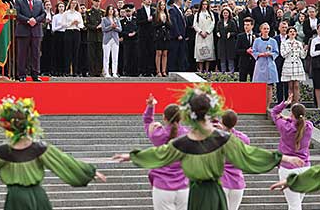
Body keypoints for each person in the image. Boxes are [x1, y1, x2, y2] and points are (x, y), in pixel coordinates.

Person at [113, 83, 304, 210]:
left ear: (190, 114)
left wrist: (131, 156)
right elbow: (250, 154)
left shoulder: (184, 139)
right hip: (212, 192)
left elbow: (159, 154)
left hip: (196, 192)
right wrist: (283, 158)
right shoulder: (221, 137)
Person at [0, 97, 106, 210]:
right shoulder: (40, 148)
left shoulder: (1, 152)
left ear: (7, 126)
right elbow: (64, 162)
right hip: (38, 197)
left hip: (16, 199)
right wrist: (89, 172)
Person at [143, 95, 189, 210]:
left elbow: (148, 122)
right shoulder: (188, 135)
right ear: (181, 118)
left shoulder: (158, 134)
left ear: (164, 118)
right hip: (184, 185)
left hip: (162, 185)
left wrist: (150, 106)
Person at [270, 94, 313, 210]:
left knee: (294, 204)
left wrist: (285, 103)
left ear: (291, 114)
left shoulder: (285, 127)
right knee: (297, 203)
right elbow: (300, 122)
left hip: (288, 168)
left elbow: (274, 112)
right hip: (305, 168)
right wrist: (289, 118)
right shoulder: (309, 127)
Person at [218, 110, 250, 210]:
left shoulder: (218, 138)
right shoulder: (244, 138)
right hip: (237, 181)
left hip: (222, 179)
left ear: (222, 122)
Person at [15, 0, 46, 82]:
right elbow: (17, 14)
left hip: (36, 32)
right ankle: (22, 75)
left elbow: (43, 14)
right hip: (23, 31)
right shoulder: (19, 1)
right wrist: (28, 20)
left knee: (36, 54)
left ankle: (35, 74)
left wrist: (36, 20)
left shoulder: (39, 2)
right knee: (22, 54)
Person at [252, 23, 279, 108]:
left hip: (270, 65)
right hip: (260, 64)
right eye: (264, 28)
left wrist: (270, 54)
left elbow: (276, 52)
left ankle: (268, 106)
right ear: (261, 30)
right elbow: (254, 51)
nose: (266, 30)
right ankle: (259, 105)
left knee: (269, 86)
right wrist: (260, 54)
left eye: (267, 28)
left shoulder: (273, 41)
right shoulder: (257, 41)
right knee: (260, 87)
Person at [281, 27, 307, 103]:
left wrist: (304, 50)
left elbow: (302, 56)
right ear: (288, 33)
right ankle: (291, 103)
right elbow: (283, 55)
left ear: (296, 33)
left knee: (296, 85)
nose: (292, 33)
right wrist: (290, 48)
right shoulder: (284, 43)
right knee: (290, 85)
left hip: (297, 65)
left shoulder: (299, 43)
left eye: (294, 31)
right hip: (288, 65)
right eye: (290, 31)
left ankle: (296, 103)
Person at [62, 0, 84, 76]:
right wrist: (71, 23)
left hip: (76, 32)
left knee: (76, 52)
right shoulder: (66, 13)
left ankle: (75, 71)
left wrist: (77, 23)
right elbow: (63, 24)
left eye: (75, 3)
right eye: (72, 3)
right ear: (70, 4)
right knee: (68, 52)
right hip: (68, 32)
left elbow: (82, 25)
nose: (74, 5)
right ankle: (67, 71)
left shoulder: (78, 14)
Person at [85, 0, 105, 77]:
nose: (97, 2)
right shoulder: (88, 12)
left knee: (100, 55)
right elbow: (86, 24)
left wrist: (102, 26)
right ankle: (92, 71)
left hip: (100, 37)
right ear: (92, 1)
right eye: (95, 1)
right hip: (91, 36)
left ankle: (98, 71)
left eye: (99, 1)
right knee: (91, 55)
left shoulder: (103, 12)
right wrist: (96, 27)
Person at [136, 0, 156, 76]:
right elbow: (138, 22)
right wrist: (147, 20)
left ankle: (150, 70)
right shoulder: (139, 11)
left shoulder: (154, 10)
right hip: (143, 35)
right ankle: (142, 70)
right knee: (143, 53)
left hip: (151, 35)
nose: (149, 0)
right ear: (143, 1)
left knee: (151, 52)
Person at [193, 0, 215, 72]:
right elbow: (195, 25)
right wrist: (200, 32)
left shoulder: (210, 14)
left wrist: (207, 32)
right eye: (203, 4)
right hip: (200, 36)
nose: (204, 6)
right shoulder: (197, 14)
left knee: (208, 53)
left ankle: (207, 70)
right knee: (200, 52)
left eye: (206, 4)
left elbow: (213, 24)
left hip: (208, 36)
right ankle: (200, 69)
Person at [102, 4, 122, 78]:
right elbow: (104, 29)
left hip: (115, 39)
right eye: (109, 9)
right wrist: (111, 26)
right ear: (107, 10)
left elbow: (120, 29)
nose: (111, 10)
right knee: (106, 57)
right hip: (107, 39)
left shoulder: (116, 19)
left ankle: (114, 72)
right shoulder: (104, 19)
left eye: (112, 9)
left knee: (115, 57)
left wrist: (115, 27)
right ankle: (106, 72)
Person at [168, 0, 187, 72]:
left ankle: (180, 69)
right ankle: (172, 70)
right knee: (174, 54)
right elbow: (174, 23)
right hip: (176, 37)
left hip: (182, 36)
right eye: (182, 1)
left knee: (181, 53)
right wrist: (178, 34)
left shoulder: (180, 10)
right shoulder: (173, 10)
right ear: (179, 1)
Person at [235, 17, 256, 82]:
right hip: (243, 62)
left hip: (254, 63)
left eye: (248, 25)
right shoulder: (240, 36)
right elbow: (236, 50)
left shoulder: (257, 36)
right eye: (245, 25)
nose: (246, 27)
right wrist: (246, 51)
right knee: (242, 82)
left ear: (252, 26)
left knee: (254, 82)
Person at [153, 0, 171, 77]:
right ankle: (158, 71)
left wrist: (166, 21)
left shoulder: (167, 14)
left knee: (165, 53)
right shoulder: (155, 14)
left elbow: (170, 26)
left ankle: (164, 70)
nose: (163, 7)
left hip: (166, 36)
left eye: (164, 5)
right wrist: (162, 22)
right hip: (158, 36)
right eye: (161, 5)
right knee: (159, 53)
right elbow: (154, 25)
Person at [216, 8, 237, 73]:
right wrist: (218, 33)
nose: (225, 14)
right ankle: (223, 73)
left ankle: (231, 73)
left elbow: (235, 32)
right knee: (222, 59)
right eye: (224, 13)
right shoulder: (219, 22)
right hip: (221, 43)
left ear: (229, 14)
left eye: (226, 13)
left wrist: (230, 33)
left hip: (230, 43)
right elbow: (217, 30)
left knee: (230, 59)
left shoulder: (232, 22)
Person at [121, 3, 138, 76]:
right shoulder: (122, 21)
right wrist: (127, 34)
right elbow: (121, 31)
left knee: (135, 56)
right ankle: (127, 71)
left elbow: (139, 28)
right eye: (127, 11)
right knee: (127, 56)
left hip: (135, 40)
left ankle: (134, 72)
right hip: (126, 41)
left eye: (129, 11)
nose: (128, 13)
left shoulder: (135, 20)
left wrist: (135, 33)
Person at [275, 21, 289, 103]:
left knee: (287, 83)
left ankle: (288, 101)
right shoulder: (275, 38)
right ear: (279, 28)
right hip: (278, 62)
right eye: (283, 27)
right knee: (279, 83)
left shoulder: (290, 38)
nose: (284, 29)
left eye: (286, 27)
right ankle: (279, 101)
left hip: (288, 62)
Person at [52, 1, 66, 76]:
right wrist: (61, 26)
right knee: (57, 53)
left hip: (65, 35)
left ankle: (63, 70)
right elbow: (53, 28)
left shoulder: (66, 16)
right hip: (57, 35)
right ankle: (56, 70)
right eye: (60, 7)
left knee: (64, 53)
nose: (61, 8)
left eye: (62, 6)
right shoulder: (55, 16)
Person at [40, 0, 54, 76]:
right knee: (44, 52)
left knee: (50, 52)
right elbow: (40, 24)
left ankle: (50, 70)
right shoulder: (42, 14)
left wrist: (52, 23)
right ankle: (43, 69)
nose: (48, 6)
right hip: (44, 33)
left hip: (51, 33)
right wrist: (46, 22)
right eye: (47, 5)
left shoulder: (53, 14)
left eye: (49, 5)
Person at [309, 24, 320, 108]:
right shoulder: (314, 40)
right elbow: (312, 53)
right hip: (317, 65)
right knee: (317, 85)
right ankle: (318, 105)